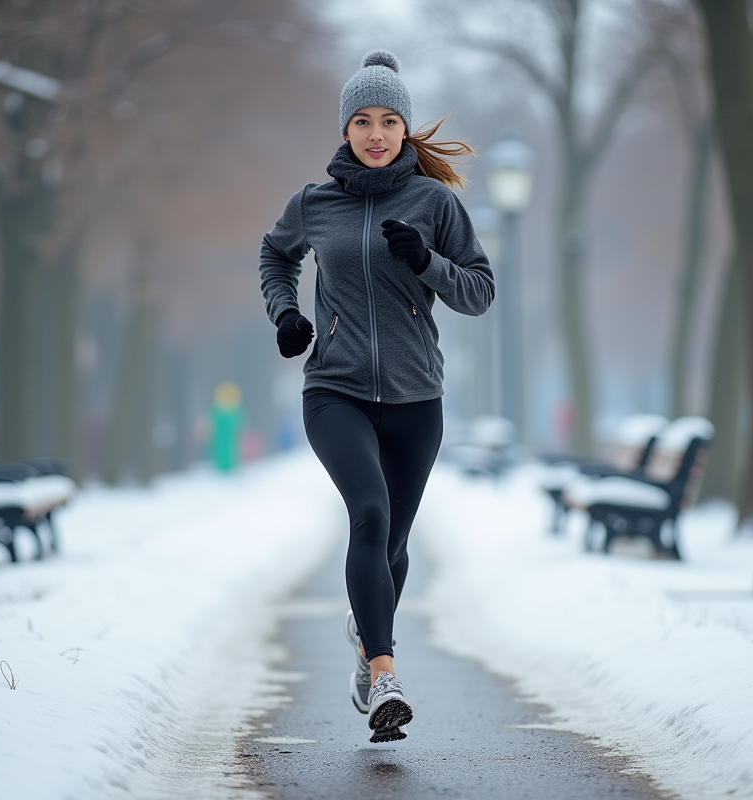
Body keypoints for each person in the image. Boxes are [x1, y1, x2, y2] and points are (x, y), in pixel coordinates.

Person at [258, 50, 495, 743]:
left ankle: (366, 638)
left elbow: (480, 292)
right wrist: (286, 314)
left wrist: (427, 261)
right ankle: (386, 673)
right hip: (335, 389)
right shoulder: (314, 204)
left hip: (418, 399)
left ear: (405, 129)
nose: (375, 133)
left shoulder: (434, 203)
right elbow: (276, 254)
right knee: (367, 513)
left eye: (389, 120)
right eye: (362, 120)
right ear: (345, 130)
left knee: (392, 542)